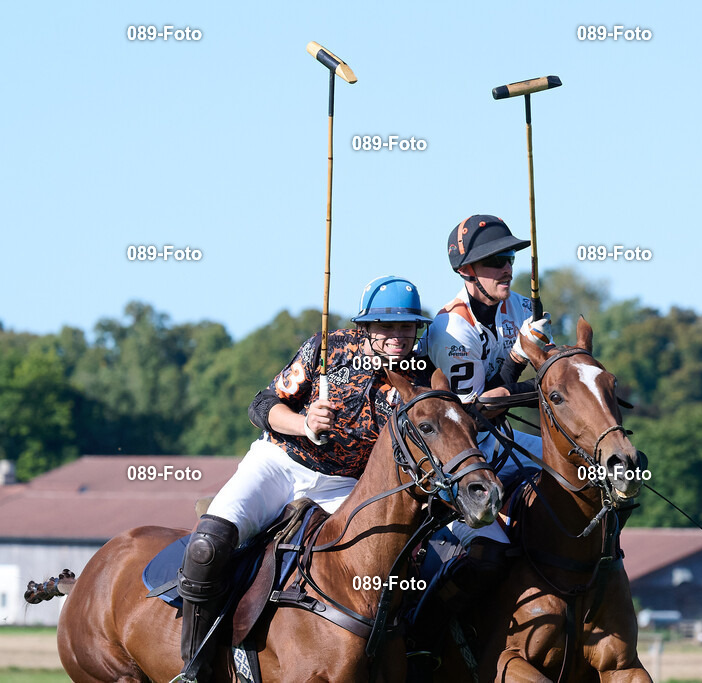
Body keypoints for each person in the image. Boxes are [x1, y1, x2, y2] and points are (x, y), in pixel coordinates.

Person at [178, 275, 432, 673]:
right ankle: (195, 665)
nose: (399, 335)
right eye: (388, 326)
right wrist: (305, 423)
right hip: (279, 463)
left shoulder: (421, 377)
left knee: (407, 566)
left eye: (407, 326)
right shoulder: (327, 348)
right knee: (207, 545)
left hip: (347, 488)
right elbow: (262, 405)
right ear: (365, 327)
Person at [418, 214, 553, 615]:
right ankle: (431, 628)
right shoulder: (451, 329)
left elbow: (553, 384)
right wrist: (517, 361)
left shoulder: (525, 308)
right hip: (450, 455)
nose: (507, 267)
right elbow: (476, 413)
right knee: (486, 556)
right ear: (466, 271)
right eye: (495, 260)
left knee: (577, 470)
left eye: (510, 256)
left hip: (499, 440)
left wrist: (544, 365)